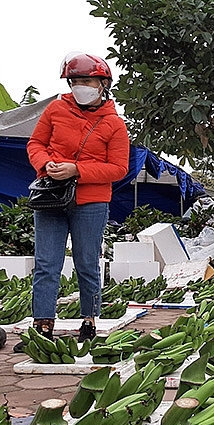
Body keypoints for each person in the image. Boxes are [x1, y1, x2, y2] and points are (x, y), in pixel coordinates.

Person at [15, 52, 129, 352]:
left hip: (91, 201)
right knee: (46, 264)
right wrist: (46, 164)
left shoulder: (115, 125)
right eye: (75, 80)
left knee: (86, 263)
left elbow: (119, 168)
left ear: (102, 83)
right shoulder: (55, 109)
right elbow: (35, 144)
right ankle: (42, 325)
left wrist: (77, 169)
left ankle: (89, 320)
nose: (80, 85)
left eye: (86, 80)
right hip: (51, 197)